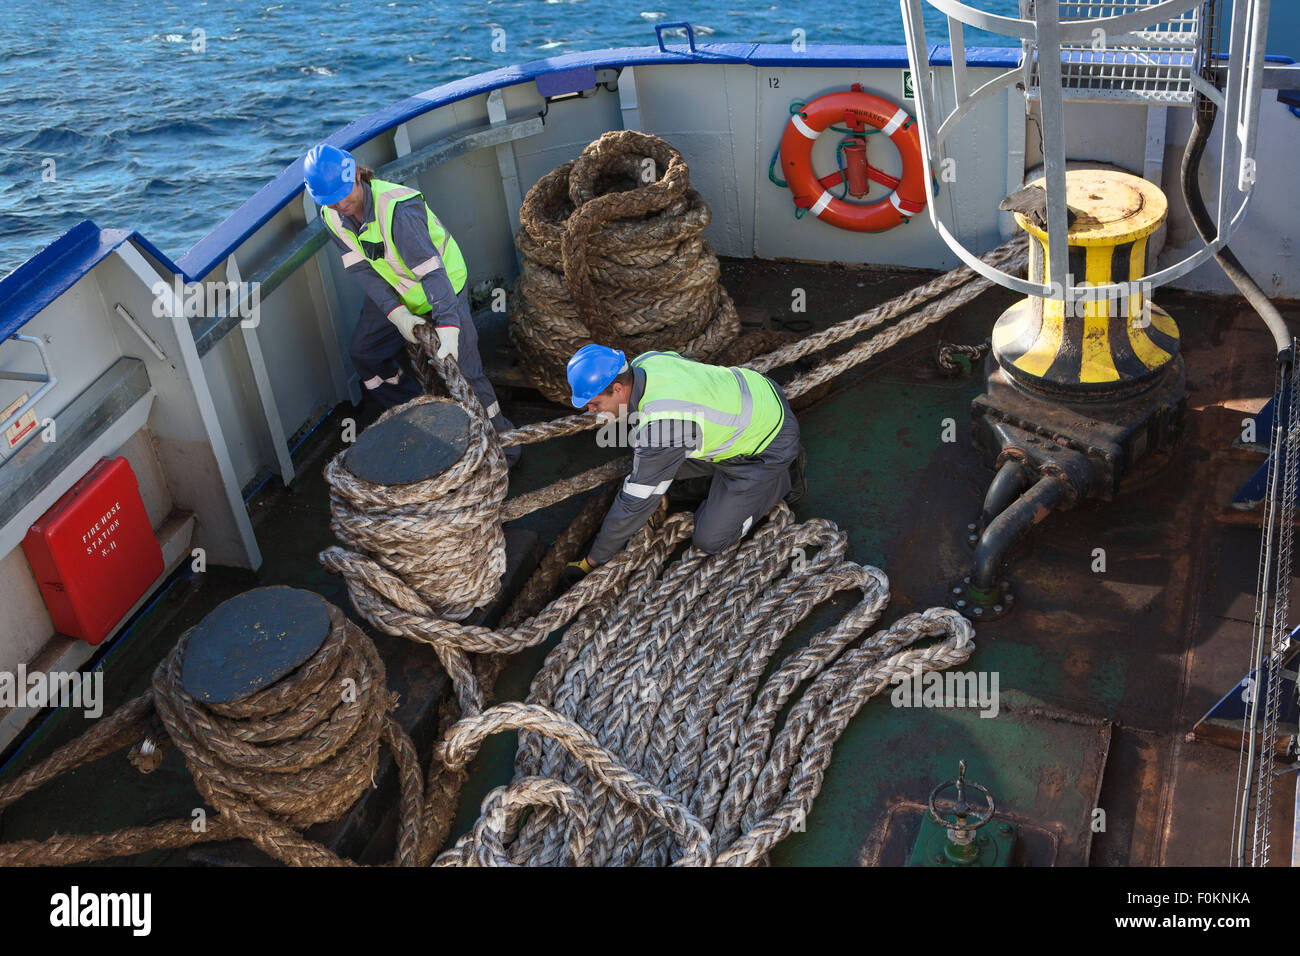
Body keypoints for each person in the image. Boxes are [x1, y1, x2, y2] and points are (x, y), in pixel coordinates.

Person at [302, 143, 519, 466]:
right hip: (397, 289)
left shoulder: (399, 211)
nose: (341, 204)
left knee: (466, 371)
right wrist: (397, 313)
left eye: (345, 193)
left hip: (443, 287)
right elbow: (362, 269)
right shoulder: (332, 216)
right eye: (331, 200)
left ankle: (505, 446)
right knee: (366, 353)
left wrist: (448, 326)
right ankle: (425, 420)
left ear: (358, 174)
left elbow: (433, 274)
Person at [562, 345, 806, 583]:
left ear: (617, 388)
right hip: (758, 388)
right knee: (656, 464)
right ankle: (726, 481)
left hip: (767, 447)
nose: (592, 411)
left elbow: (634, 503)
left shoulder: (662, 429)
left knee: (710, 539)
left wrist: (594, 560)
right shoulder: (647, 361)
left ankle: (783, 477)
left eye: (595, 404)